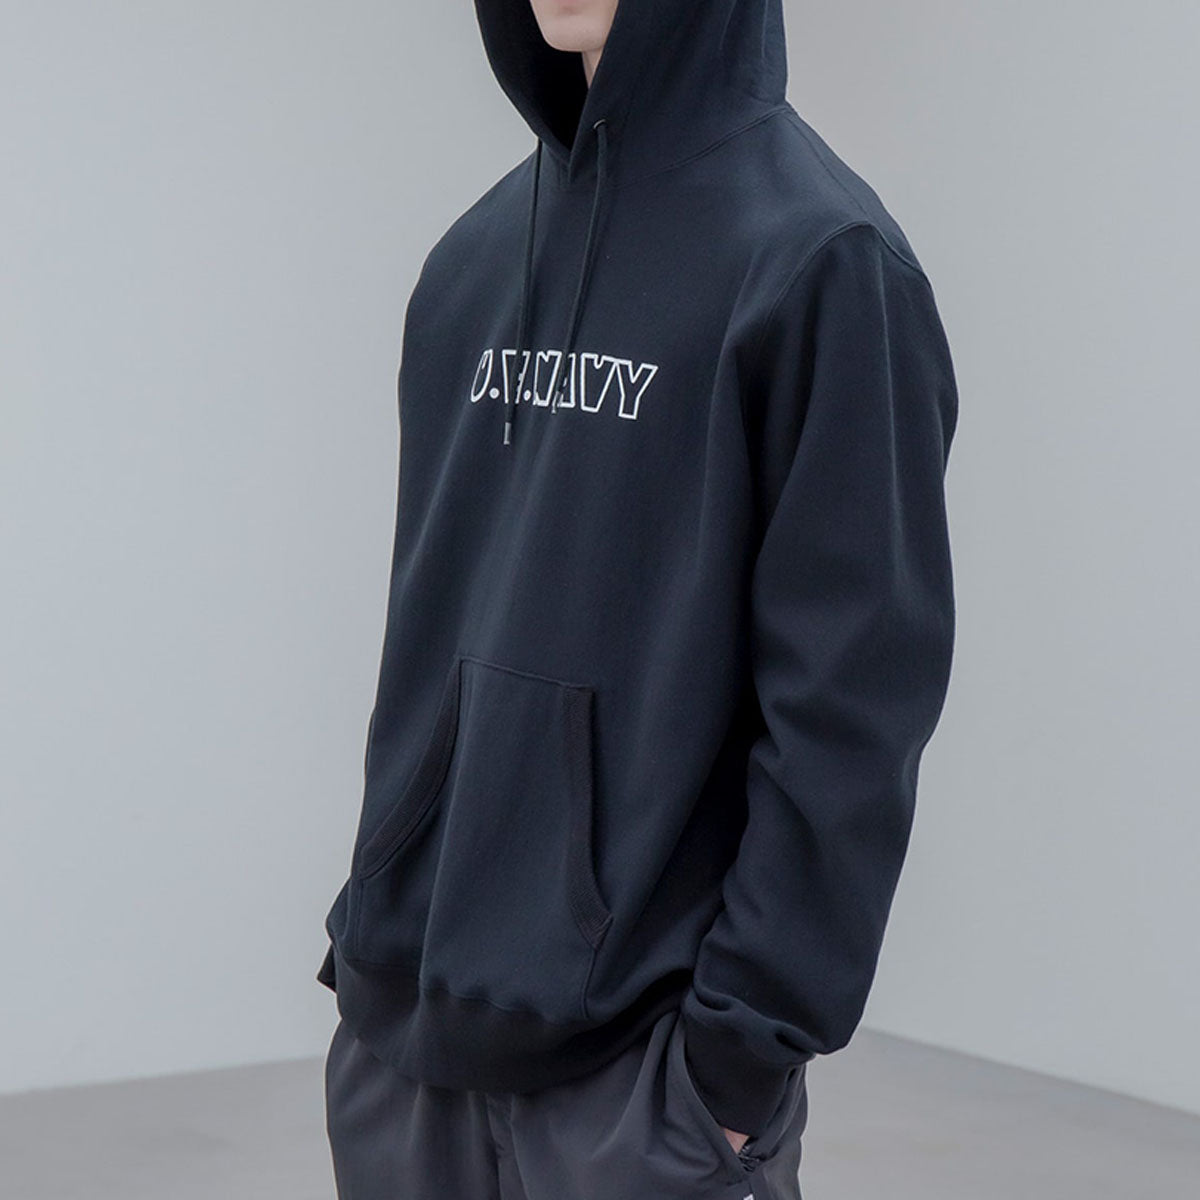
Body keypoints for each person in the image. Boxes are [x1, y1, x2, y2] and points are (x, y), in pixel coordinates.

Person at [316, 0, 959, 1196]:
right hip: (403, 1052)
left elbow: (851, 716)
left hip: (640, 1093)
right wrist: (373, 950)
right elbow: (435, 635)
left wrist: (736, 1064)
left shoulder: (825, 265)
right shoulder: (469, 262)